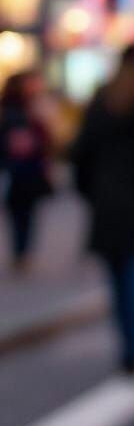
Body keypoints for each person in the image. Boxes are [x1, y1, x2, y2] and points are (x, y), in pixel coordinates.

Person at [70, 41, 134, 375]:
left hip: (106, 201)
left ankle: (125, 343)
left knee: (116, 277)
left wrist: (89, 191)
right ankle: (132, 348)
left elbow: (81, 151)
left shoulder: (102, 97)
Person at [0, 69, 55, 274]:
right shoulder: (17, 111)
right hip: (20, 171)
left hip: (25, 171)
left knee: (24, 215)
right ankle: (21, 253)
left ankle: (22, 253)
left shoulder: (28, 108)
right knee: (21, 214)